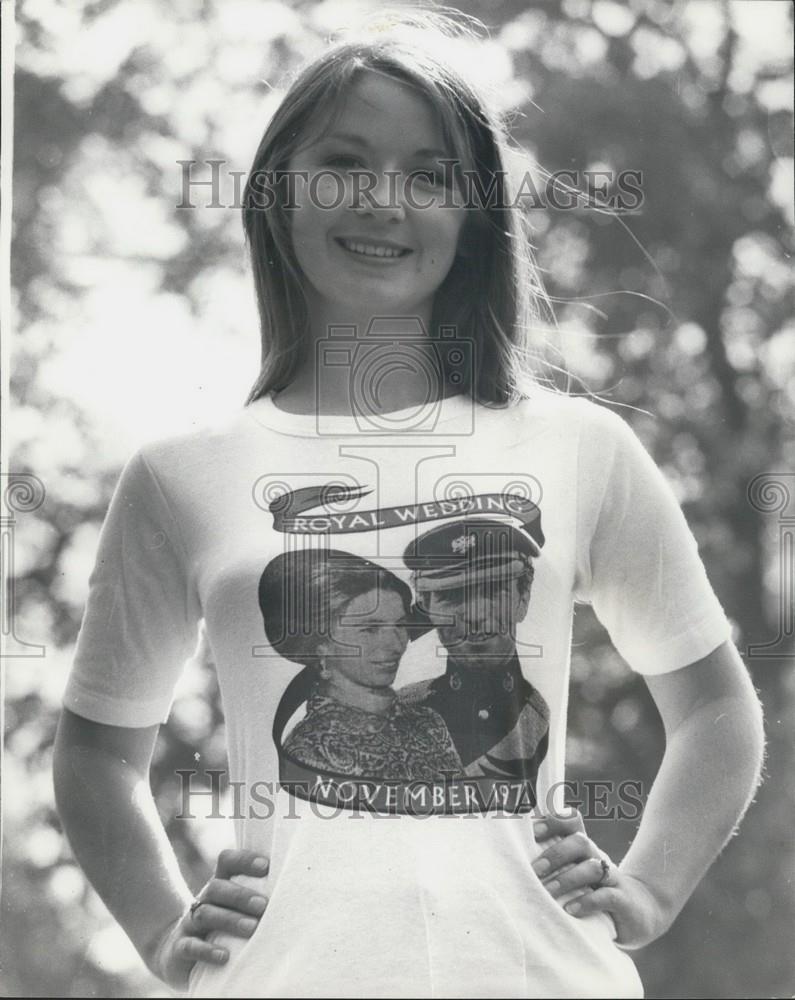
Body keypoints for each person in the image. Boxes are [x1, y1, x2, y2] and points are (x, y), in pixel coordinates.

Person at [53, 8, 764, 999]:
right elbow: (94, 753)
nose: (385, 201)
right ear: (275, 190)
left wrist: (648, 889)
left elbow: (719, 711)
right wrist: (166, 931)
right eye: (344, 162)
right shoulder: (181, 472)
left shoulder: (579, 445)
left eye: (430, 176)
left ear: (474, 214)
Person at [258, 547, 463, 781]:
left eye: (400, 625)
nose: (395, 644)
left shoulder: (428, 723)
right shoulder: (309, 747)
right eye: (370, 629)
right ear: (321, 645)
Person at [399, 518, 550, 790]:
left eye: (494, 591)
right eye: (453, 596)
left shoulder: (540, 719)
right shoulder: (395, 715)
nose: (477, 615)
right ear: (426, 606)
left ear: (523, 597)